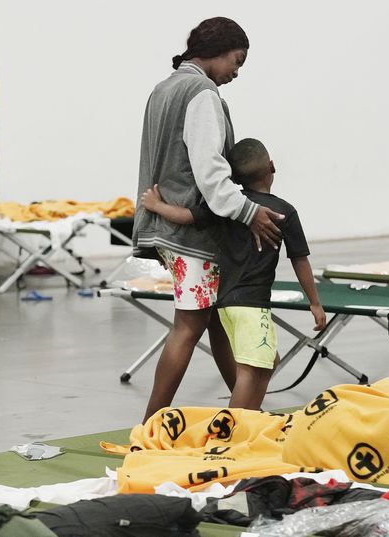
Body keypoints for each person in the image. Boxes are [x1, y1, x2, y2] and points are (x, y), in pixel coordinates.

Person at [132, 17, 284, 422]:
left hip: (170, 228)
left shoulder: (164, 88)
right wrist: (249, 211)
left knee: (216, 321)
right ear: (217, 51)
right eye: (237, 60)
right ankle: (149, 424)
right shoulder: (202, 92)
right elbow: (210, 171)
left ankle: (247, 414)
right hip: (193, 235)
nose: (237, 71)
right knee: (188, 326)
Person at [141, 138, 326, 410]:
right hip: (253, 304)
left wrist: (156, 206)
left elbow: (187, 216)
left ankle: (248, 418)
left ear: (235, 179)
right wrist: (314, 302)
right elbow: (300, 260)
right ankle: (234, 426)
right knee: (253, 372)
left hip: (224, 304)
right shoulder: (283, 212)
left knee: (267, 362)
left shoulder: (227, 206)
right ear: (272, 167)